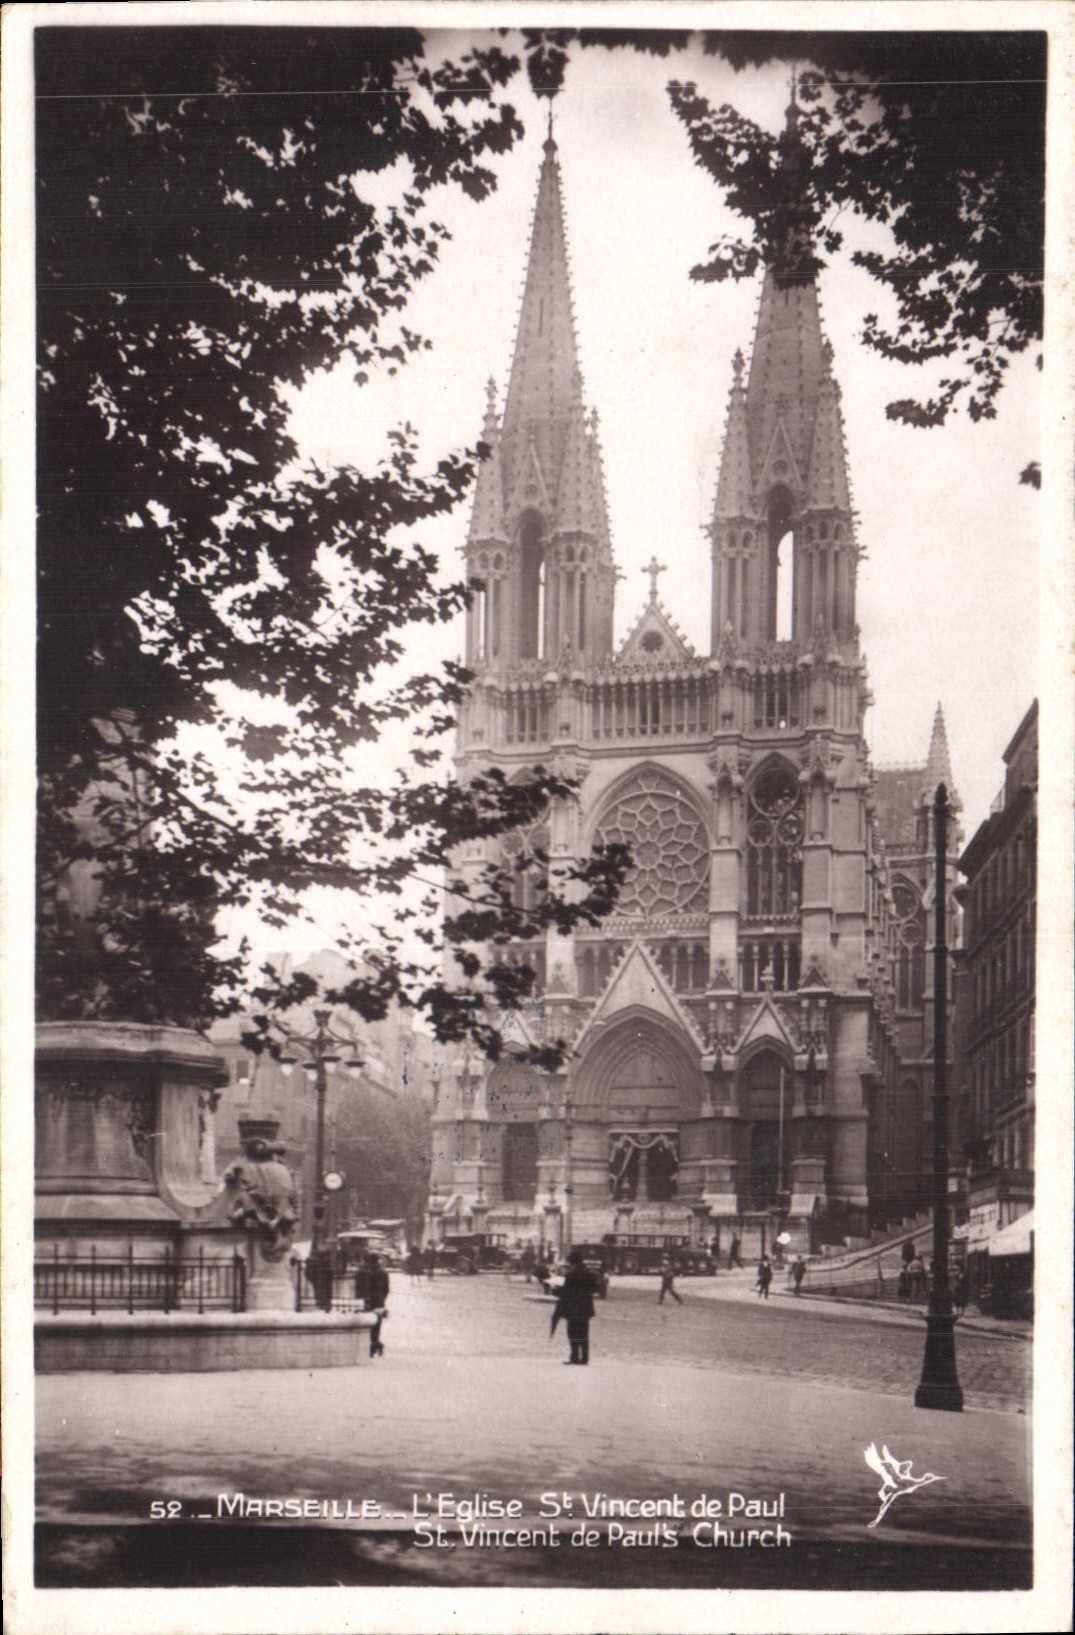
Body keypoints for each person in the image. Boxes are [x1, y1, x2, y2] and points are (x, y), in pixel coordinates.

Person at [552, 1249, 600, 1365]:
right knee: (584, 1333)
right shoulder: (588, 1273)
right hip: (586, 1307)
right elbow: (595, 1288)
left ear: (572, 1262)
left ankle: (574, 1357)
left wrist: (555, 1291)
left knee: (573, 1333)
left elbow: (566, 1291)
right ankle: (584, 1358)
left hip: (573, 1307)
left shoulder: (571, 1274)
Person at [360, 1252, 390, 1358]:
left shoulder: (368, 1273)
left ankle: (374, 1347)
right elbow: (387, 1290)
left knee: (369, 1325)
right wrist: (381, 1298)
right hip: (380, 1302)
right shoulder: (383, 1273)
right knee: (377, 1325)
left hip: (370, 1302)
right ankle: (377, 1345)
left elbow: (365, 1289)